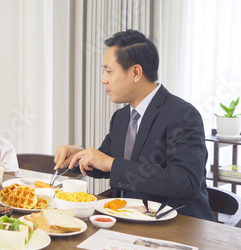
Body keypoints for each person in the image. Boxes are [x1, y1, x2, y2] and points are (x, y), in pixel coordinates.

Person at [54, 30, 214, 221]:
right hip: (126, 221)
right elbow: (106, 163)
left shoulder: (183, 115)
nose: (103, 79)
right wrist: (79, 156)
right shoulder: (121, 117)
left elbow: (186, 182)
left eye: (109, 71)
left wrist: (111, 163)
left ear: (136, 72)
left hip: (177, 227)